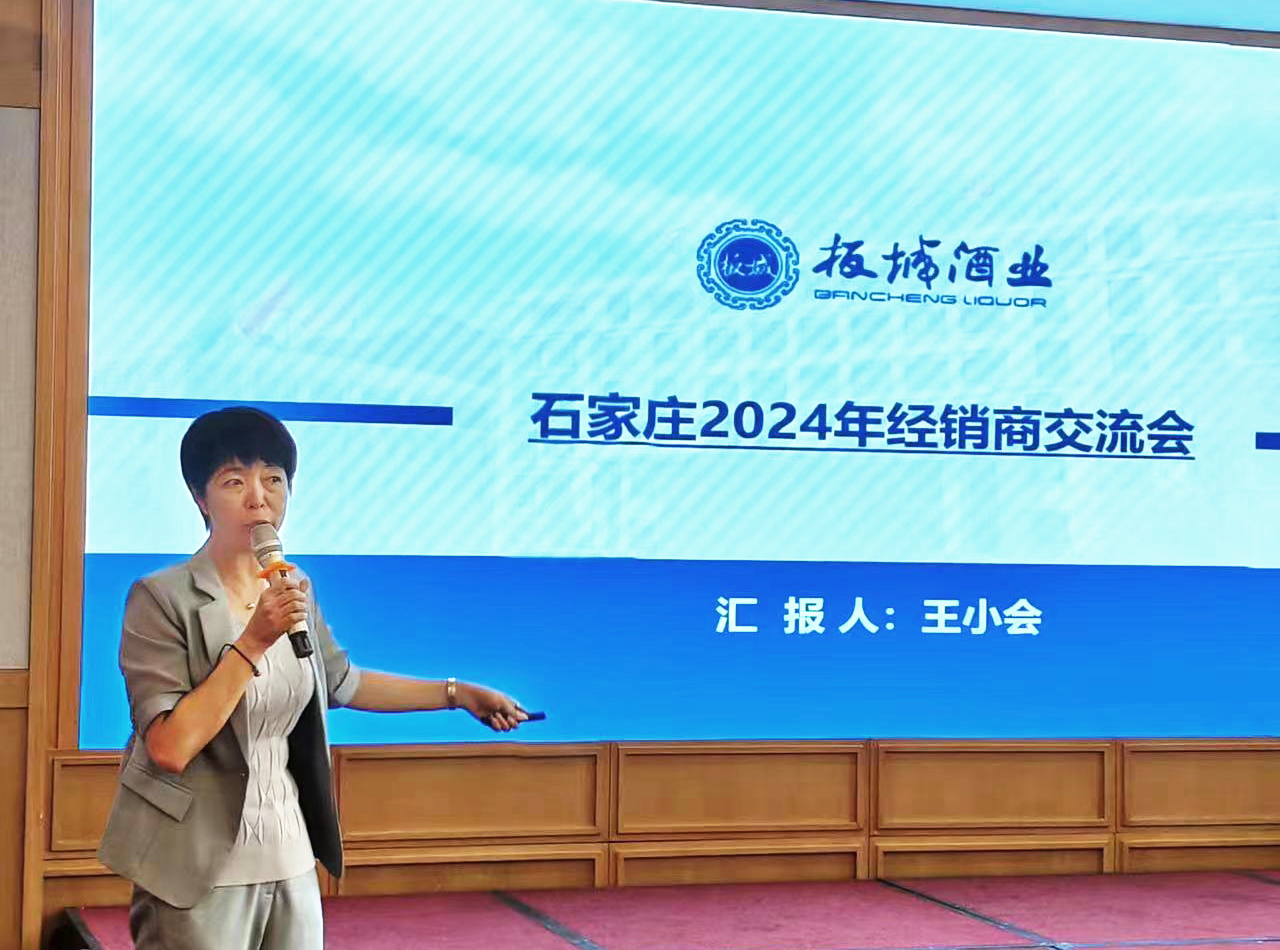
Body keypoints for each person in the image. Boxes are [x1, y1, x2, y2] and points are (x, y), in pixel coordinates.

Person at [97, 406, 529, 949]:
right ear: (199, 497)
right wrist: (252, 642)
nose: (259, 498)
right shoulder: (162, 598)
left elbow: (342, 681)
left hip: (289, 856)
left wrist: (457, 694)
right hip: (194, 866)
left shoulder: (293, 584)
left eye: (274, 479)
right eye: (235, 482)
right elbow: (169, 746)